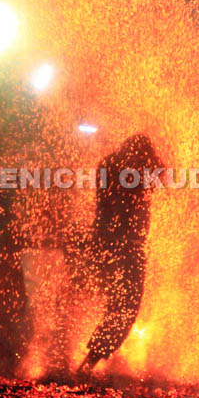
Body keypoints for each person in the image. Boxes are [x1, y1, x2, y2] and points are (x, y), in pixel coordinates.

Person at [77, 133, 163, 375]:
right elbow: (158, 175)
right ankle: (90, 363)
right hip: (125, 248)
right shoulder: (127, 174)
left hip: (105, 245)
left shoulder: (108, 165)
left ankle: (90, 360)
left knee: (118, 306)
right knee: (125, 307)